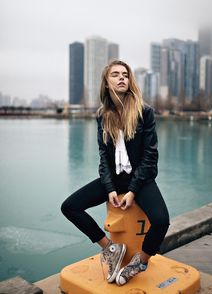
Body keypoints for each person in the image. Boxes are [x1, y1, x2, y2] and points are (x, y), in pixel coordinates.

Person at [61, 60, 169, 286]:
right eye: (115, 75)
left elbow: (150, 157)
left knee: (161, 220)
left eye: (125, 74)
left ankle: (141, 261)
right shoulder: (102, 115)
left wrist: (132, 190)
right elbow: (103, 157)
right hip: (113, 179)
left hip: (140, 178)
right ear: (107, 82)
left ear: (130, 81)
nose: (122, 78)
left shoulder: (144, 111)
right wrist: (109, 188)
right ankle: (110, 248)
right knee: (70, 207)